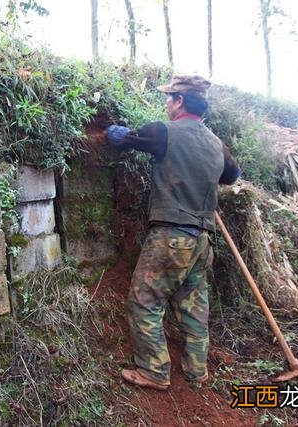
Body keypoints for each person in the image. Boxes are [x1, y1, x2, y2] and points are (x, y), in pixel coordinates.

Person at [106, 75, 241, 390]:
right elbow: (233, 176)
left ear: (180, 101)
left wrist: (113, 130)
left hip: (171, 236)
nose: (166, 103)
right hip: (203, 240)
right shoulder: (216, 144)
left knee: (144, 299)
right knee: (194, 305)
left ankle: (154, 371)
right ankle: (196, 371)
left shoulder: (162, 132)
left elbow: (122, 138)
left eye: (170, 98)